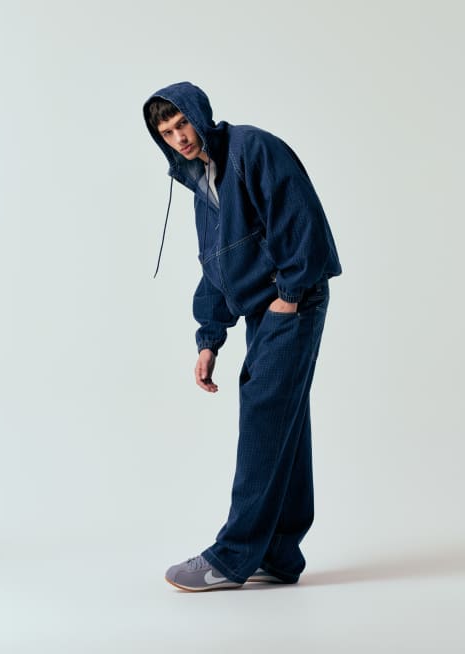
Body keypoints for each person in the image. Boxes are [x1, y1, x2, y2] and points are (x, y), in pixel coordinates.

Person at [143, 82, 342, 591]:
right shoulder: (201, 179)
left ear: (199, 115)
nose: (179, 137)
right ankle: (279, 554)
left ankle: (232, 557)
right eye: (167, 132)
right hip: (265, 307)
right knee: (283, 423)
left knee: (263, 416)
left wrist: (290, 295)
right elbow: (217, 266)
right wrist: (209, 338)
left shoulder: (252, 148)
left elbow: (301, 219)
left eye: (182, 123)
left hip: (292, 299)